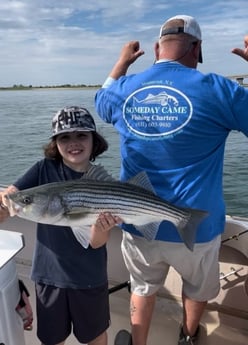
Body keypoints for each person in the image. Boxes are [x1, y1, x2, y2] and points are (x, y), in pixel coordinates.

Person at [95, 14, 248, 345]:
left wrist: (121, 64)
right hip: (198, 222)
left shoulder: (125, 89)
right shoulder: (220, 89)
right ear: (198, 49)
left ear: (155, 49)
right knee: (196, 289)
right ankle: (188, 337)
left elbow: (101, 104)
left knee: (142, 287)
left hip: (137, 219)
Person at [0, 106, 122, 345]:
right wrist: (6, 200)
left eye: (81, 135)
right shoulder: (43, 169)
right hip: (48, 276)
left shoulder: (103, 185)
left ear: (94, 141)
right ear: (55, 143)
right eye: (64, 137)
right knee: (52, 339)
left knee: (95, 336)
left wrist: (102, 228)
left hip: (89, 277)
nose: (73, 143)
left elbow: (96, 242)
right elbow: (14, 197)